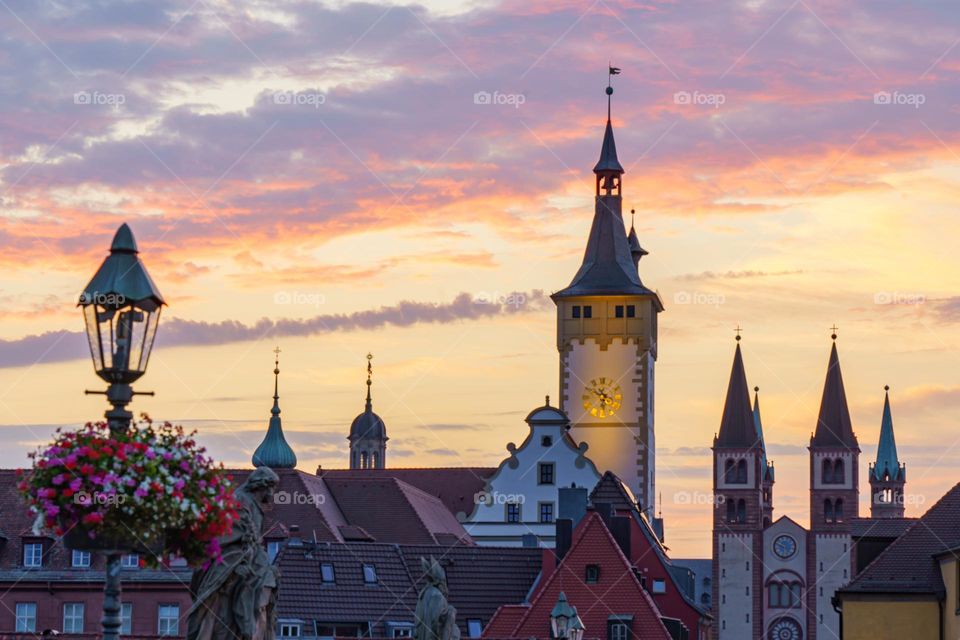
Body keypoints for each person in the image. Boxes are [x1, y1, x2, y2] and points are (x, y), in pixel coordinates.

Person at [187, 466, 280, 640]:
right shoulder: (240, 501)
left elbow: (254, 540)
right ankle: (246, 628)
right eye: (272, 487)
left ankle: (255, 627)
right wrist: (246, 556)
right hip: (231, 557)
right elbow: (227, 536)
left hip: (249, 556)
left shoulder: (254, 504)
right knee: (247, 581)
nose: (273, 493)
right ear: (264, 486)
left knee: (267, 577)